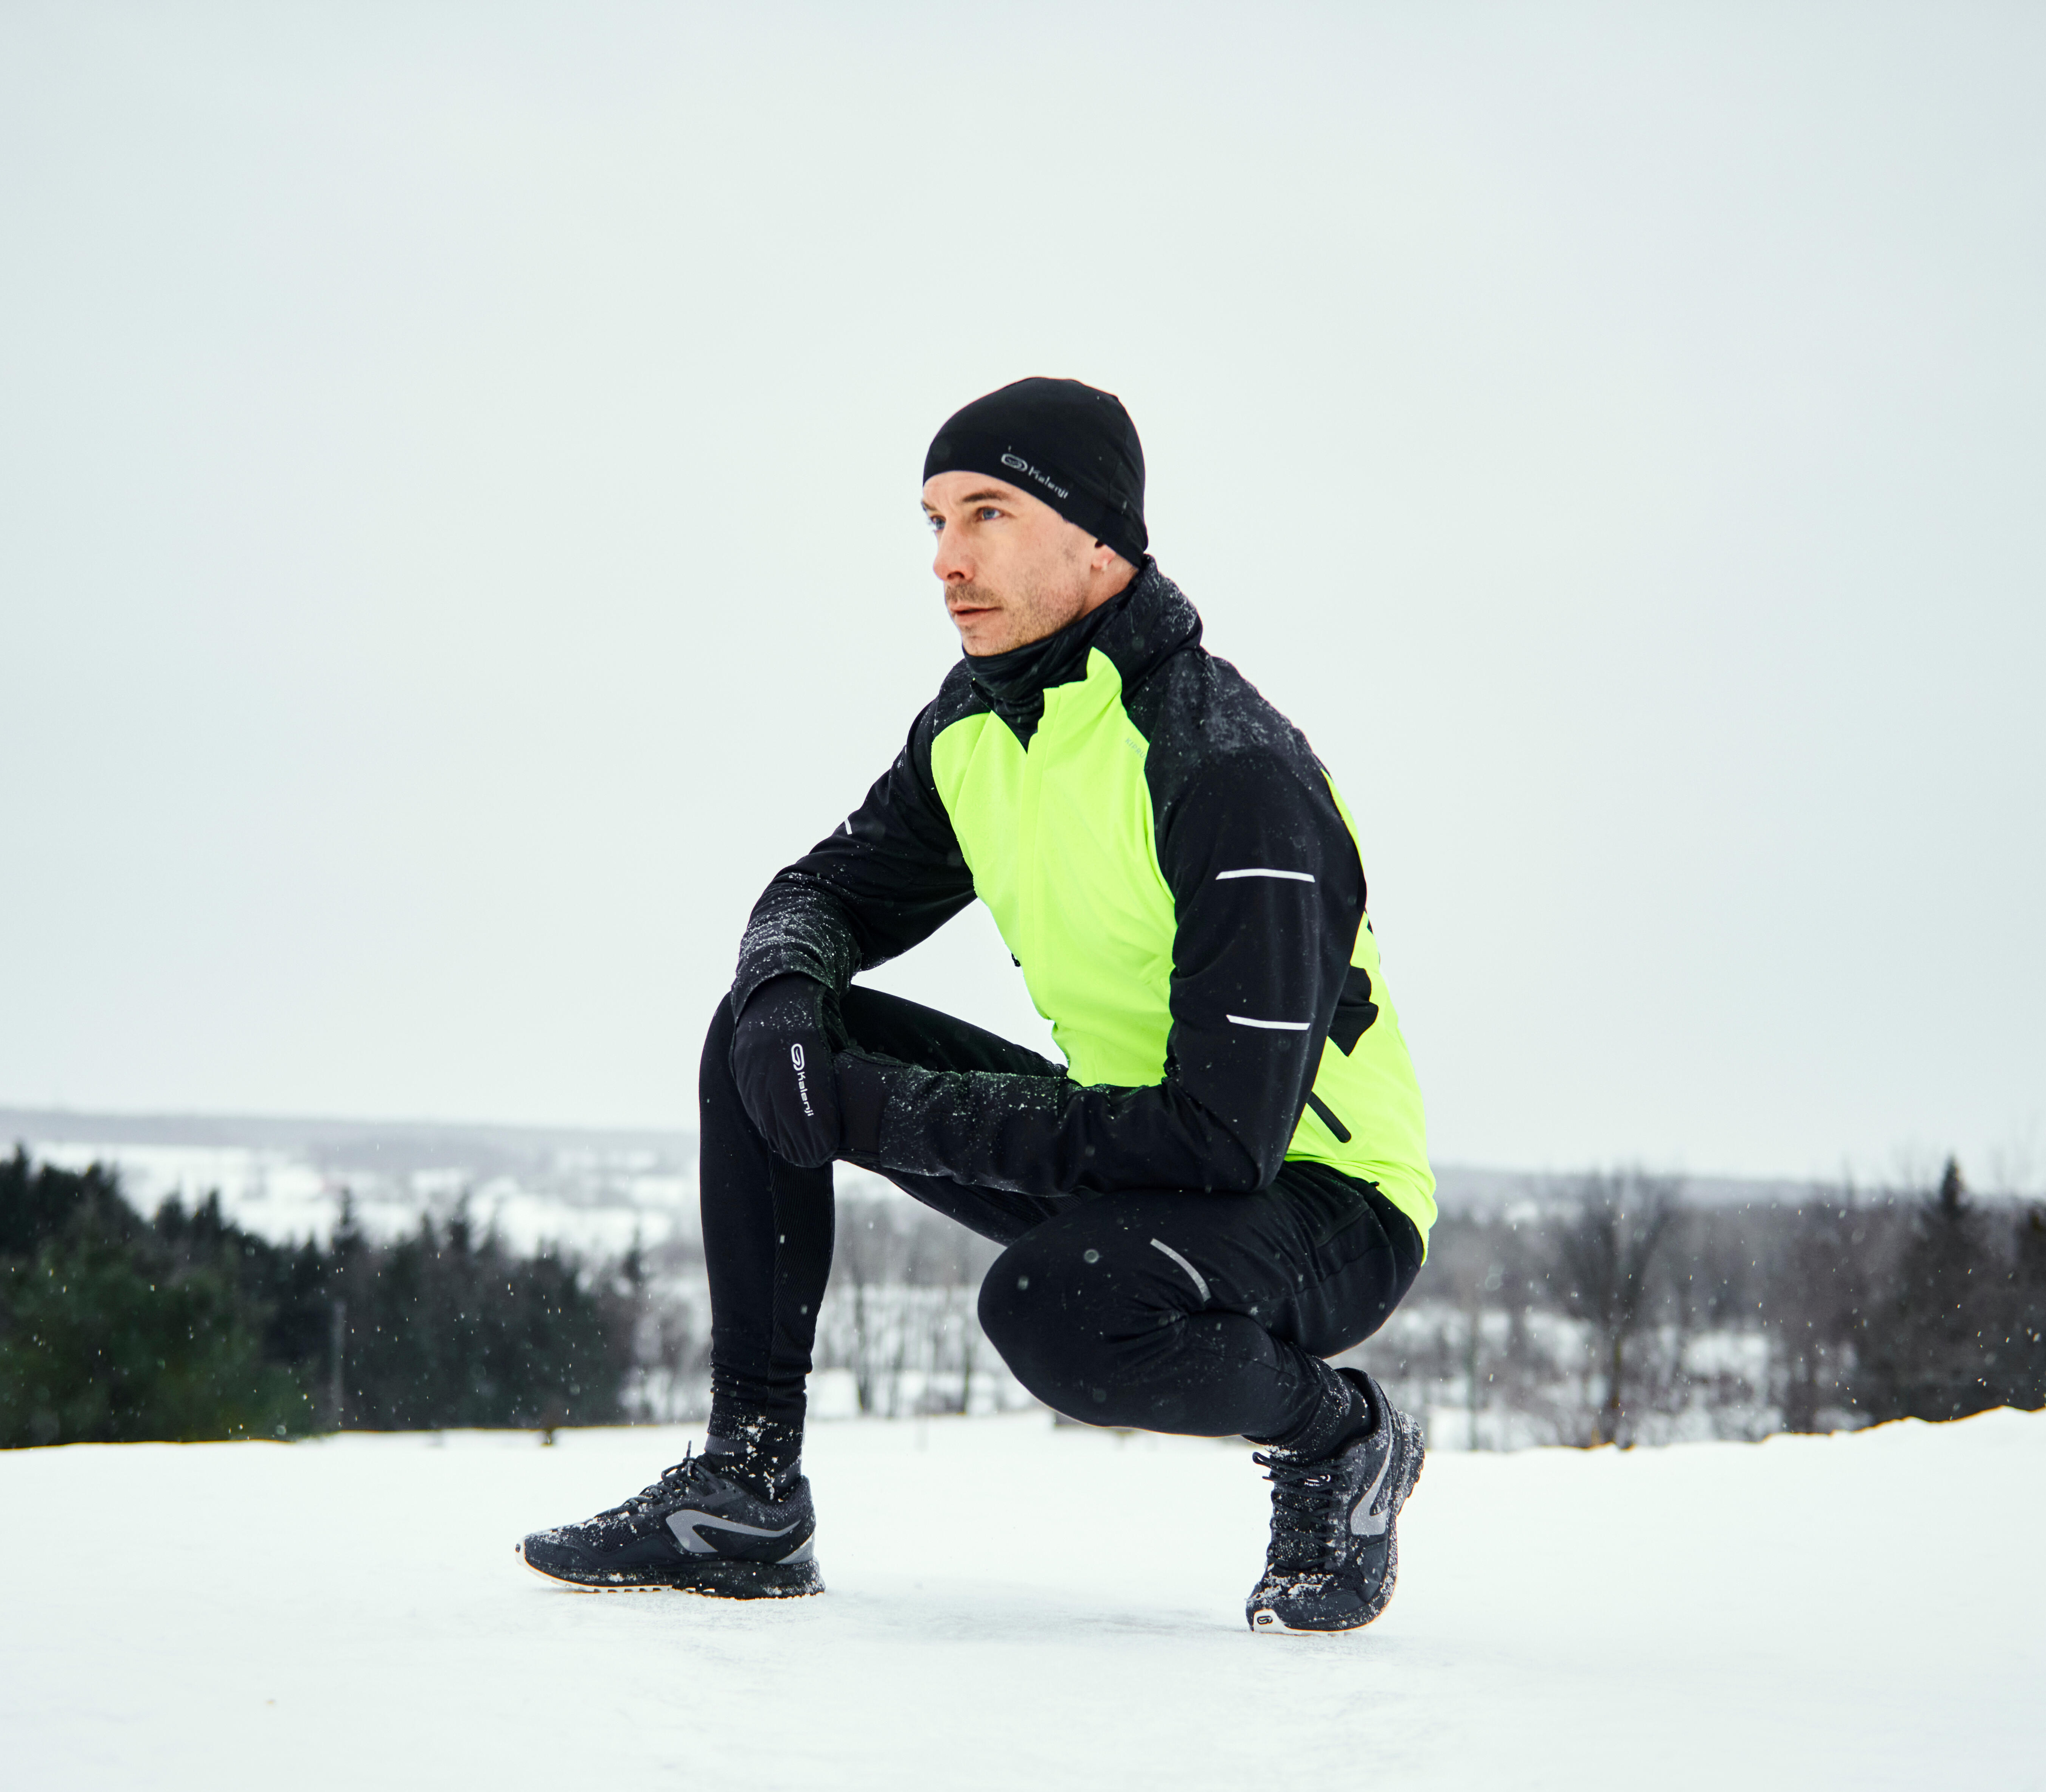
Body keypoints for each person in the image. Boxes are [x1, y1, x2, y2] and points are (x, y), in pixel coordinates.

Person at [519, 378, 1435, 1632]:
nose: (947, 560)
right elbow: (819, 893)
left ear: (1098, 538)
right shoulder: (977, 729)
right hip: (1137, 1143)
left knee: (1064, 1306)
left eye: (987, 513)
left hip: (1319, 1197)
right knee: (759, 1036)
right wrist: (789, 995)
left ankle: (1343, 1439)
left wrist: (883, 1115)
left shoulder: (1230, 770)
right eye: (935, 521)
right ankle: (749, 1486)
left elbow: (1225, 1139)